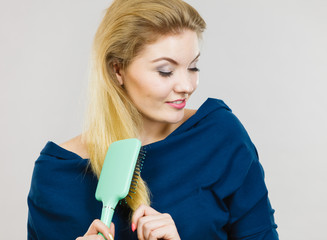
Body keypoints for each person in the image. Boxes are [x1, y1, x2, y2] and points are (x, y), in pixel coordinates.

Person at [27, 0, 279, 239]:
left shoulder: (221, 138)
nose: (186, 86)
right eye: (165, 71)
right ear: (117, 70)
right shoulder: (54, 178)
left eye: (193, 67)